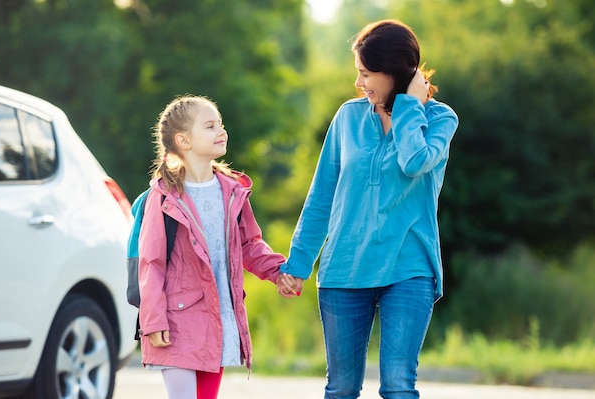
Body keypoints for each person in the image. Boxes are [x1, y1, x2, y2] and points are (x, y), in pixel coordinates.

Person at [277, 19, 459, 399]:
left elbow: (414, 161)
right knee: (341, 388)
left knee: (397, 386)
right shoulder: (348, 117)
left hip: (408, 268)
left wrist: (409, 104)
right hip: (345, 268)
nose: (358, 83)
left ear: (394, 72)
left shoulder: (439, 119)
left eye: (366, 73)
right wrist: (298, 263)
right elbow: (322, 196)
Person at [137, 94, 287, 399]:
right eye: (209, 126)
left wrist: (279, 271)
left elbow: (249, 244)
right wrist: (152, 320)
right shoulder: (164, 195)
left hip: (217, 319)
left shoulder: (232, 190)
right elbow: (151, 262)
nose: (221, 131)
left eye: (220, 124)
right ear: (183, 140)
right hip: (175, 321)